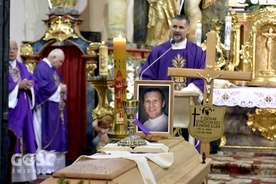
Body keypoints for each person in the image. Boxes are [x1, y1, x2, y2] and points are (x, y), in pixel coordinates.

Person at [140, 14, 206, 102]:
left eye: (181, 27)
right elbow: (146, 75)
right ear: (170, 28)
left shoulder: (197, 52)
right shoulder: (159, 51)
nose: (177, 30)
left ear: (188, 30)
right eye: (174, 27)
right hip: (163, 102)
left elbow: (203, 77)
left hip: (188, 101)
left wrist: (183, 94)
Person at [33, 48, 68, 175]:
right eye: (60, 61)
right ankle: (45, 168)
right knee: (46, 137)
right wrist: (59, 89)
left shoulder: (53, 71)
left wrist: (61, 89)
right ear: (53, 57)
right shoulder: (41, 68)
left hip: (55, 110)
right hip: (45, 110)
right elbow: (41, 89)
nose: (60, 64)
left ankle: (55, 168)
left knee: (56, 137)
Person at [8, 40, 38, 182]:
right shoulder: (3, 66)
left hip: (25, 111)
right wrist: (17, 86)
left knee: (26, 141)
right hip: (12, 112)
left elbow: (34, 81)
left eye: (15, 48)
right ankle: (12, 177)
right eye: (9, 48)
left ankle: (24, 177)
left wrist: (30, 86)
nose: (12, 51)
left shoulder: (22, 66)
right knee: (13, 142)